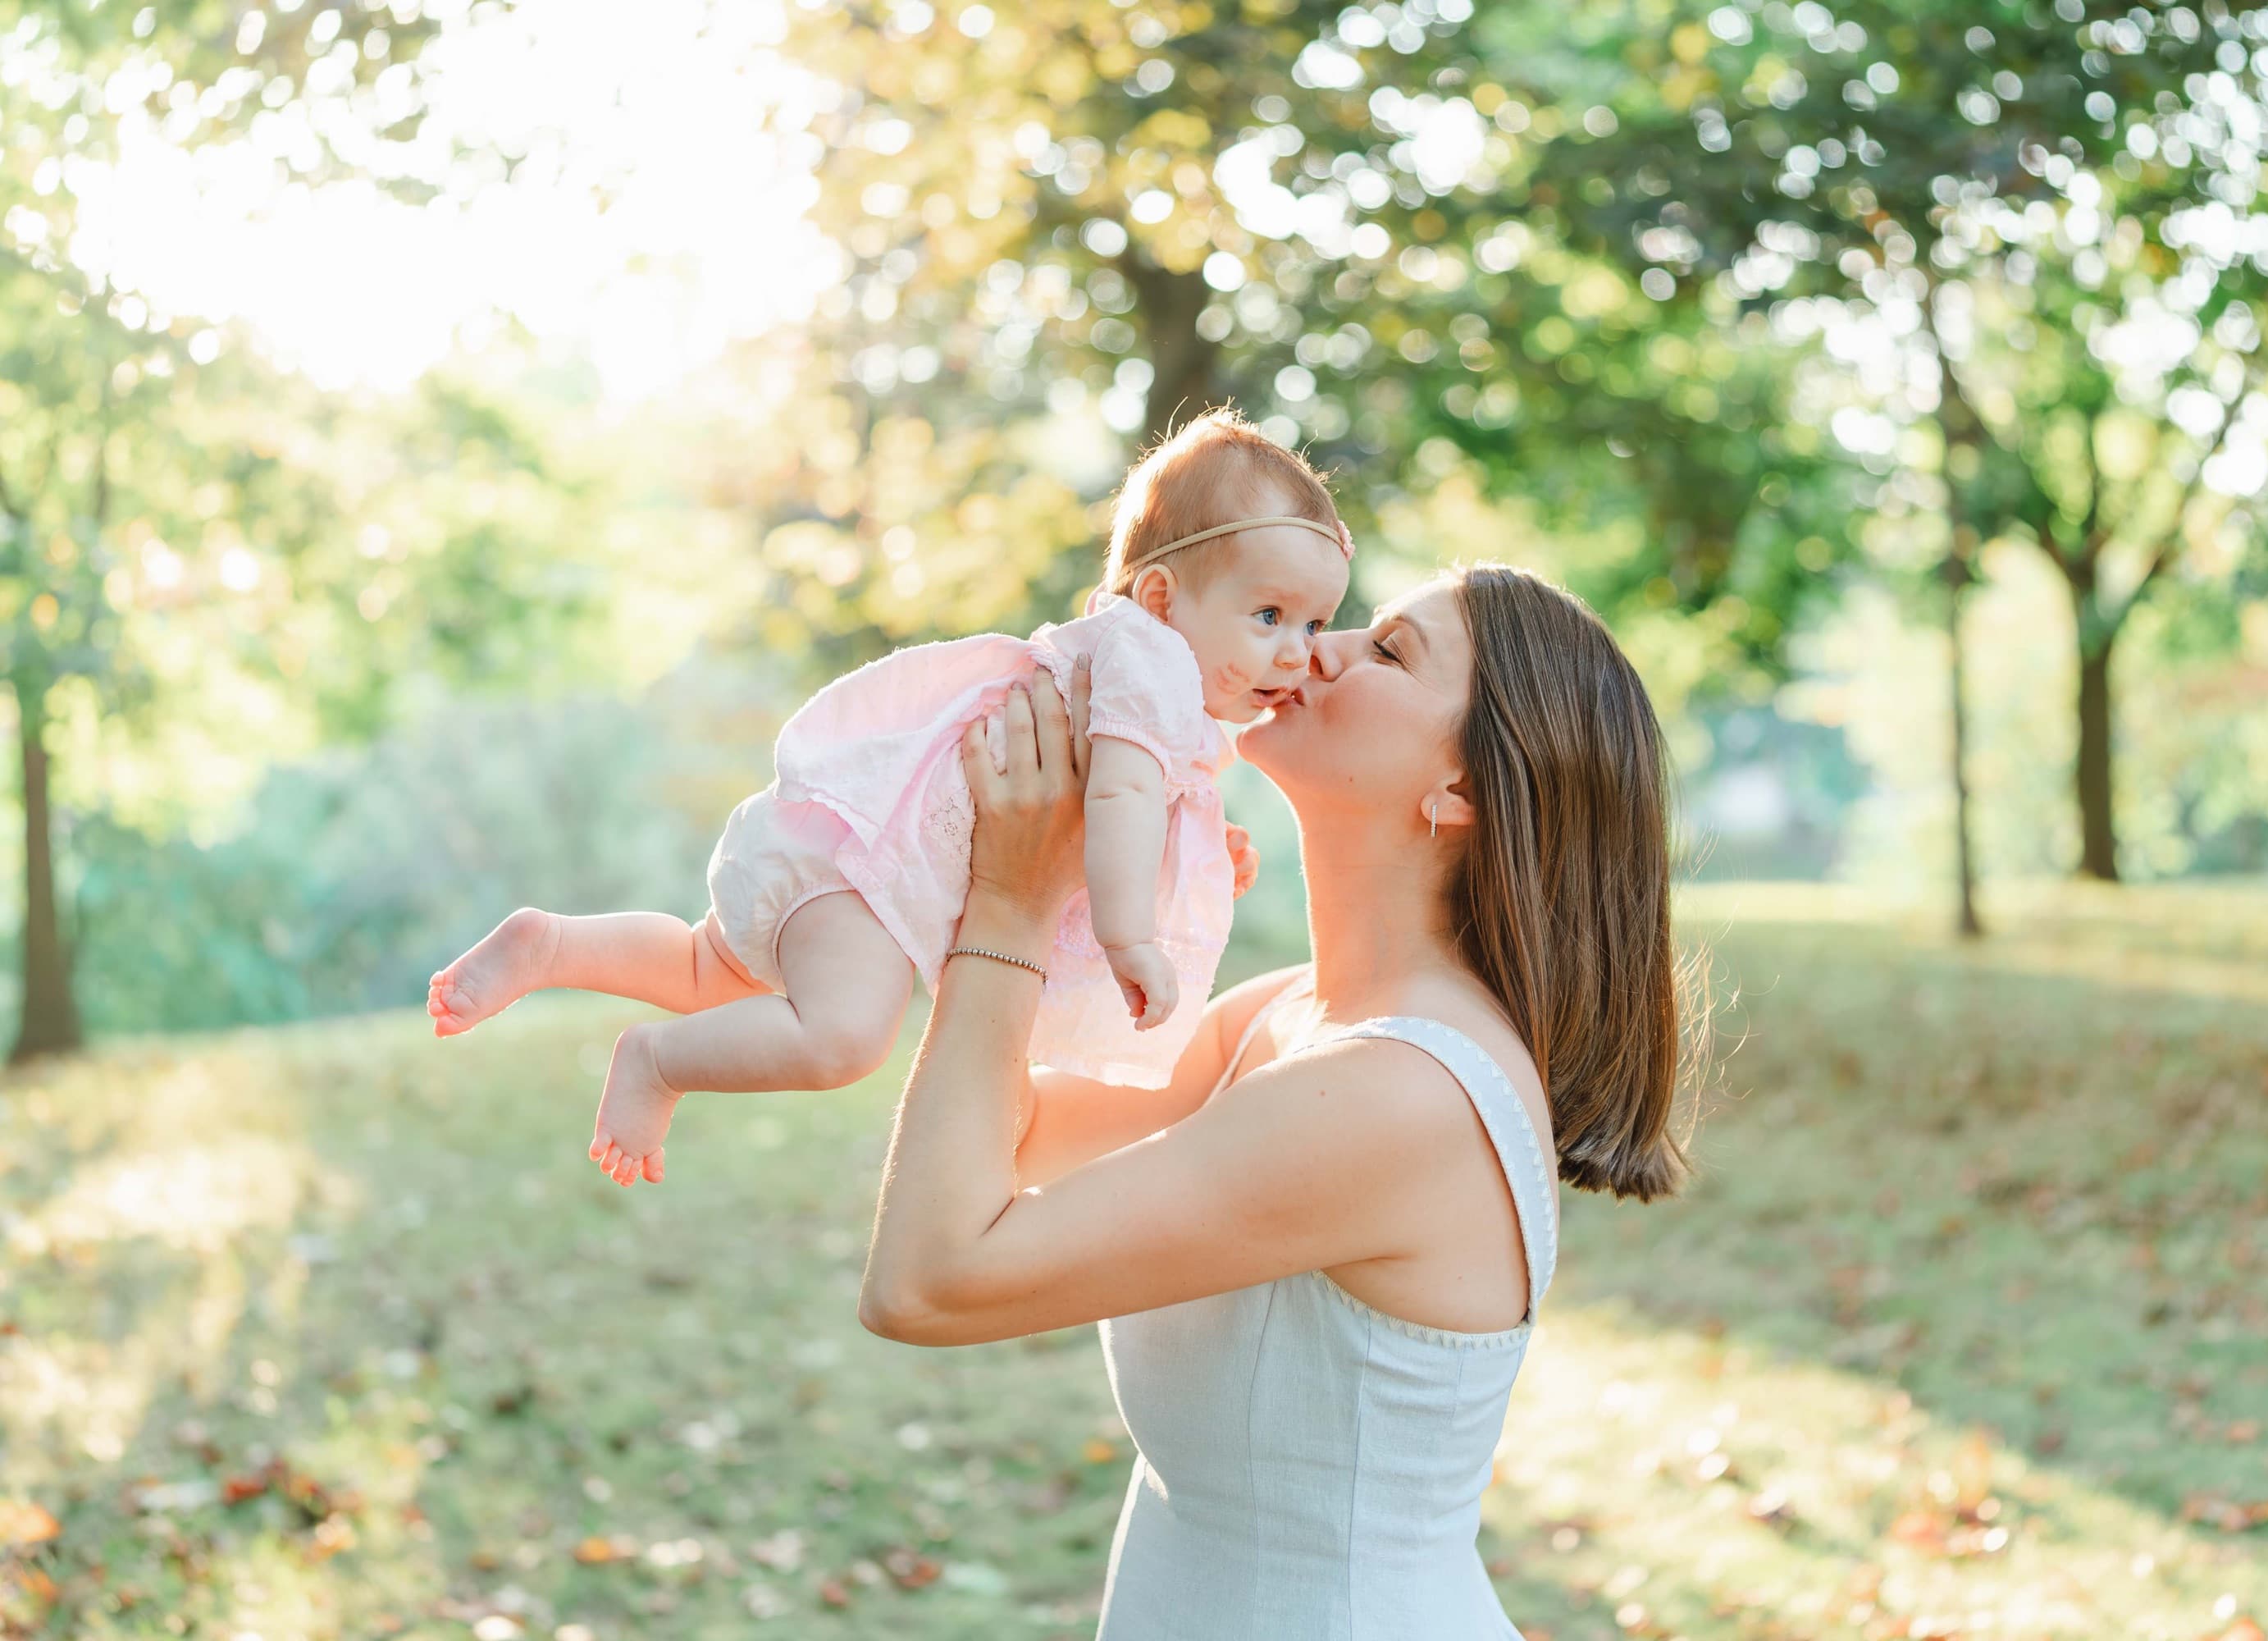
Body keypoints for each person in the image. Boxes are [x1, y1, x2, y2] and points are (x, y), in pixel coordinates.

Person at [859, 563, 1695, 1639]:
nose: (1320, 648)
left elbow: (928, 1282)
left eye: (1389, 651)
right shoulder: (1288, 1017)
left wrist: (1011, 910)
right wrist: (1064, 886)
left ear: (1466, 793)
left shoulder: (1398, 1094)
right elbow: (998, 1135)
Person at [422, 410, 1349, 1186]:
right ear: (1157, 594)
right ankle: (657, 1059)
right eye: (1268, 615)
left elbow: (1124, 806)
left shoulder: (1144, 683)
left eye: (1314, 622)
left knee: (712, 965)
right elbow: (1117, 803)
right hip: (869, 869)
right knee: (842, 1037)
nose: (1296, 649)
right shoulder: (1146, 660)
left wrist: (1187, 857)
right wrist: (1131, 935)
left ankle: (553, 941)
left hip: (844, 843)